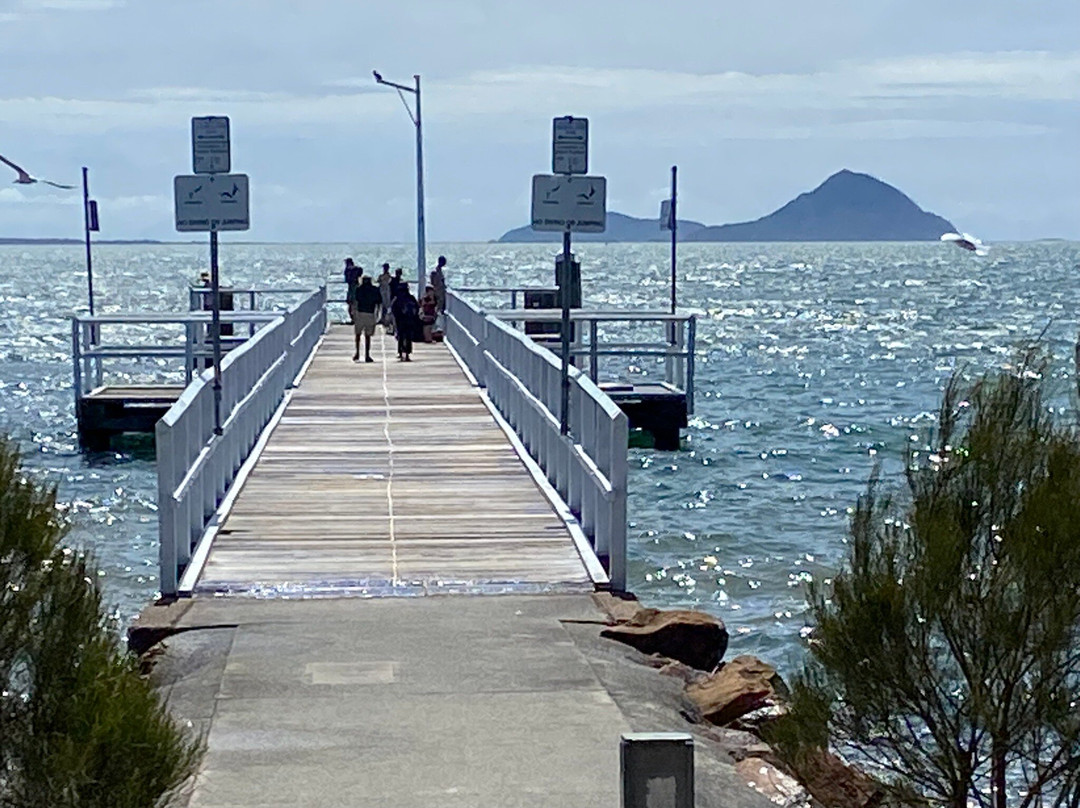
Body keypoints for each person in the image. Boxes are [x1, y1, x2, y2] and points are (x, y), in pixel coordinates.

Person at [352, 275, 382, 363]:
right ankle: (367, 355)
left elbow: (355, 301)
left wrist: (353, 313)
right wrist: (378, 315)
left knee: (358, 334)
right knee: (367, 336)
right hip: (370, 313)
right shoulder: (375, 290)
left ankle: (357, 353)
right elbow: (379, 302)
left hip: (360, 313)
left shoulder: (359, 289)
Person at [391, 283, 420, 361]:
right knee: (408, 337)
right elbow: (417, 307)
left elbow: (393, 309)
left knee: (401, 336)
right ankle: (407, 353)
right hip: (409, 320)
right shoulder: (411, 298)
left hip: (400, 320)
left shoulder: (397, 299)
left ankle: (401, 352)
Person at [343, 258, 362, 323]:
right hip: (356, 287)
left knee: (351, 304)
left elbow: (346, 280)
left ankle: (353, 319)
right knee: (355, 304)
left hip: (352, 288)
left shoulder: (348, 270)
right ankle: (355, 318)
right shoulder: (356, 269)